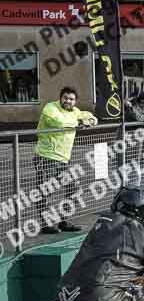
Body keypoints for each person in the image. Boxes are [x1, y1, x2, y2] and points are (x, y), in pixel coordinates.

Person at [34, 87, 98, 234]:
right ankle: (46, 224)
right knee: (46, 192)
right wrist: (79, 123)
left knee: (74, 189)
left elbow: (90, 117)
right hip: (46, 157)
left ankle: (64, 221)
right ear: (60, 98)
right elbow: (59, 123)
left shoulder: (75, 111)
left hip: (63, 159)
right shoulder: (50, 108)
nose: (68, 101)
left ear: (75, 101)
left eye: (71, 99)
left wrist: (90, 120)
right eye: (65, 98)